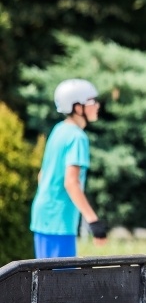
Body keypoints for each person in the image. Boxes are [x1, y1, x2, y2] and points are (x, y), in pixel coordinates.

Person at [30, 78, 107, 259]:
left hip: (44, 216)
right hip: (59, 222)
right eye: (92, 102)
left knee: (46, 282)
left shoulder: (59, 129)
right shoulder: (77, 137)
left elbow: (43, 175)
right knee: (60, 284)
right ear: (77, 107)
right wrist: (93, 221)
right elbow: (71, 182)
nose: (97, 106)